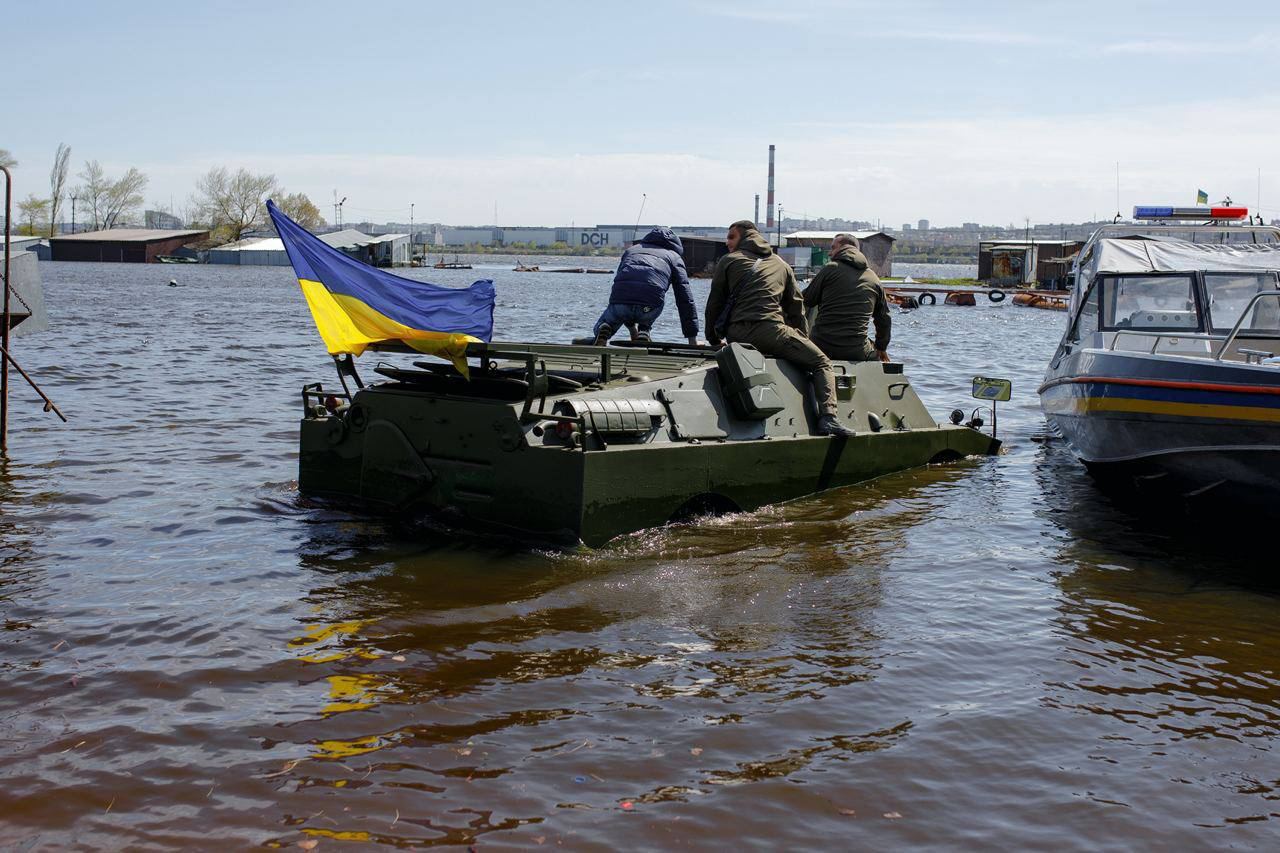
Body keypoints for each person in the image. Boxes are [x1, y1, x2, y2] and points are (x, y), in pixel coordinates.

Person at [705, 220, 855, 437]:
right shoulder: (781, 265)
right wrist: (802, 339)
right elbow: (796, 309)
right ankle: (828, 418)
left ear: (745, 238)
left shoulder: (728, 261)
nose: (727, 242)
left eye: (731, 237)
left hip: (735, 334)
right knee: (822, 362)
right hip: (770, 332)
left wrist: (713, 339)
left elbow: (714, 304)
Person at [592, 227, 699, 346]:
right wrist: (692, 340)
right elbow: (685, 299)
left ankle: (606, 327)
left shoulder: (631, 251)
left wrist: (631, 329)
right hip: (649, 307)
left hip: (620, 303)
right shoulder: (674, 257)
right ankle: (644, 331)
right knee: (650, 298)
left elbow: (622, 285)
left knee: (620, 306)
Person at [802, 233, 891, 362]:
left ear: (845, 248)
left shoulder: (830, 269)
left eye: (833, 248)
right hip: (857, 351)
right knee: (878, 355)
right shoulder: (874, 279)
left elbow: (806, 300)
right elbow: (884, 320)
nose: (830, 253)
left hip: (821, 347)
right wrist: (881, 348)